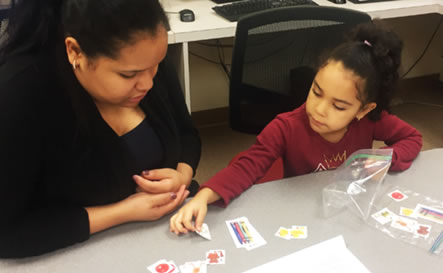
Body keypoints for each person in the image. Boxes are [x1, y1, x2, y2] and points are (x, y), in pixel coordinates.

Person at [169, 20, 423, 234]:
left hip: (348, 212)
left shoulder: (370, 120)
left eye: (339, 106)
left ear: (363, 109)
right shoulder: (286, 127)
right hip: (302, 213)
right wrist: (202, 197)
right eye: (316, 92)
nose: (320, 109)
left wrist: (387, 158)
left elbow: (412, 139)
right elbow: (246, 167)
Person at [0, 0, 201, 258]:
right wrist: (122, 213)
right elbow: (6, 233)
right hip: (75, 251)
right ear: (75, 52)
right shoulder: (21, 94)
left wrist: (182, 175)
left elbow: (187, 135)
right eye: (129, 75)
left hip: (168, 233)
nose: (148, 84)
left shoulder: (145, 58)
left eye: (157, 66)